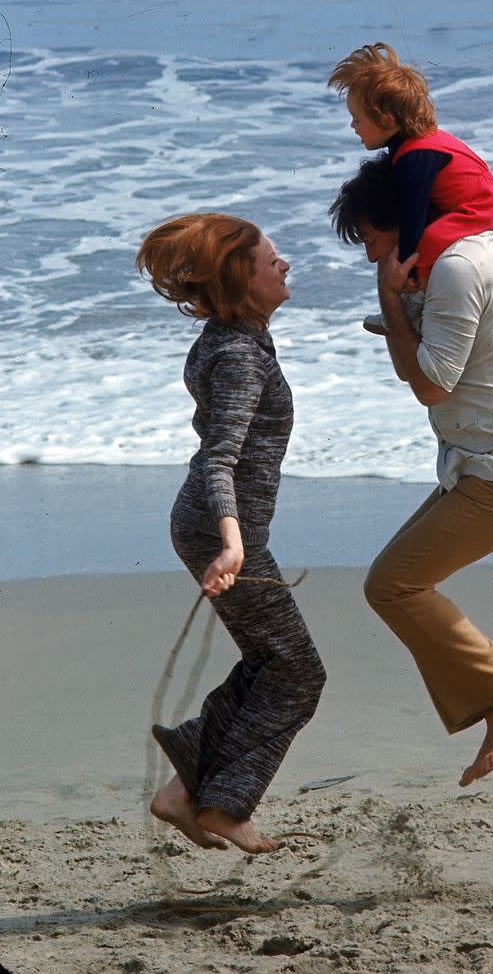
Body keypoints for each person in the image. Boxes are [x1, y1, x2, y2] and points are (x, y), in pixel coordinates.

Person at [329, 155, 493, 787]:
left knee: (393, 586)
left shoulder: (461, 267)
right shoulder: (448, 265)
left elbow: (430, 385)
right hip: (489, 469)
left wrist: (390, 296)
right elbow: (424, 371)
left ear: (406, 227)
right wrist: (398, 306)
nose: (371, 257)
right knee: (391, 585)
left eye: (375, 242)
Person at [136, 213, 326, 854]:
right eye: (272, 259)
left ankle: (184, 791)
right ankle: (222, 804)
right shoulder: (239, 355)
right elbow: (219, 459)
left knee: (272, 662)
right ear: (243, 280)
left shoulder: (232, 338)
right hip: (221, 530)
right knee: (298, 672)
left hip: (213, 526)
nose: (285, 264)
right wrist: (233, 541)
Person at [327, 43, 493, 329]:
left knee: (428, 239)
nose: (353, 126)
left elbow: (413, 213)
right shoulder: (409, 147)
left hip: (477, 206)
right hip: (475, 199)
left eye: (357, 119)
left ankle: (413, 303)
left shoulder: (415, 155)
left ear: (385, 119)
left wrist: (406, 271)